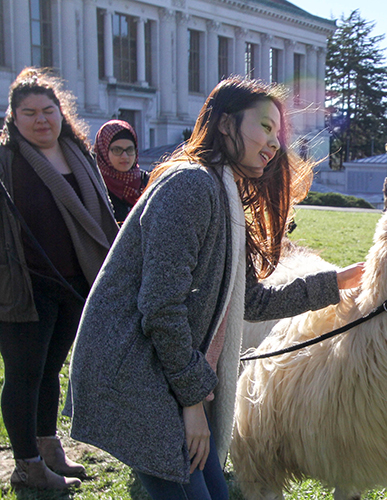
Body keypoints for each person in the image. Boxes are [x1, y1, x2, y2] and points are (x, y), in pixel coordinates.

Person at [67, 77, 363, 500]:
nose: (275, 142)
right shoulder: (190, 186)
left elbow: (251, 300)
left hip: (171, 374)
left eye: (278, 133)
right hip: (135, 374)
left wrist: (335, 283)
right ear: (225, 124)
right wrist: (192, 404)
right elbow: (161, 308)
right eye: (264, 126)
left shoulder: (222, 193)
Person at [0, 68, 119, 490]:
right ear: (13, 118)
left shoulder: (77, 153)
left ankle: (49, 449)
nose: (40, 120)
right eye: (28, 112)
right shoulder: (7, 160)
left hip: (72, 284)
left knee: (51, 370)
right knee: (23, 374)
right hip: (23, 288)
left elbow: (96, 217)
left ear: (60, 112)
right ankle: (28, 465)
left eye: (48, 110)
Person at [94, 119, 149, 224]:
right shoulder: (96, 185)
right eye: (117, 150)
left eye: (130, 150)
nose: (125, 156)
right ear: (104, 151)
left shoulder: (147, 182)